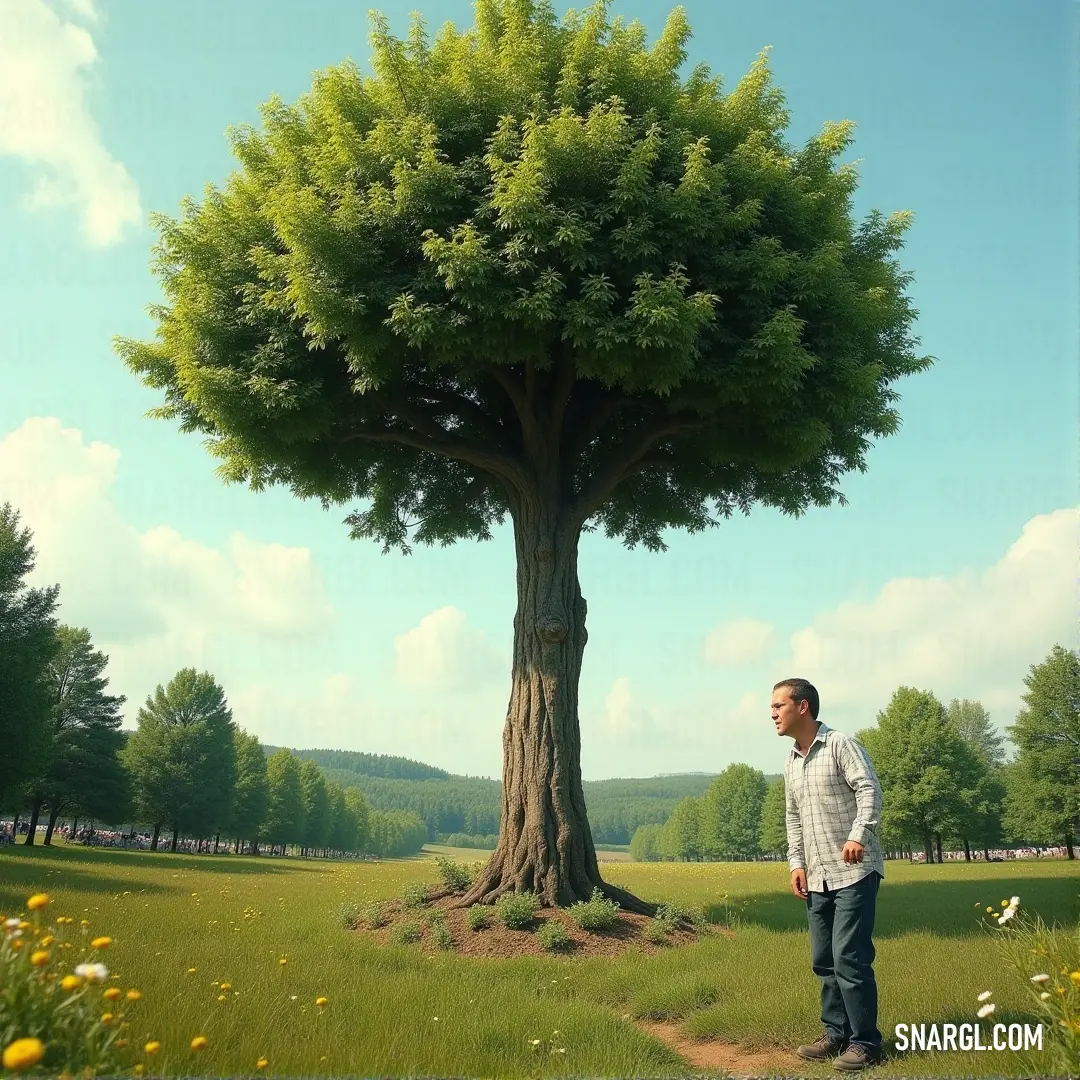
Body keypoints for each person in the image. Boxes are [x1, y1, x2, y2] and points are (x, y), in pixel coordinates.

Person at [773, 677, 885, 1071]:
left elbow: (869, 789)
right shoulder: (790, 760)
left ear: (802, 707)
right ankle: (835, 1035)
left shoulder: (840, 744)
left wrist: (858, 834)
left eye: (778, 706)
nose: (773, 714)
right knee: (823, 959)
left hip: (854, 871)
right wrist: (796, 863)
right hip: (817, 875)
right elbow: (793, 817)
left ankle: (866, 1043)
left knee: (848, 957)